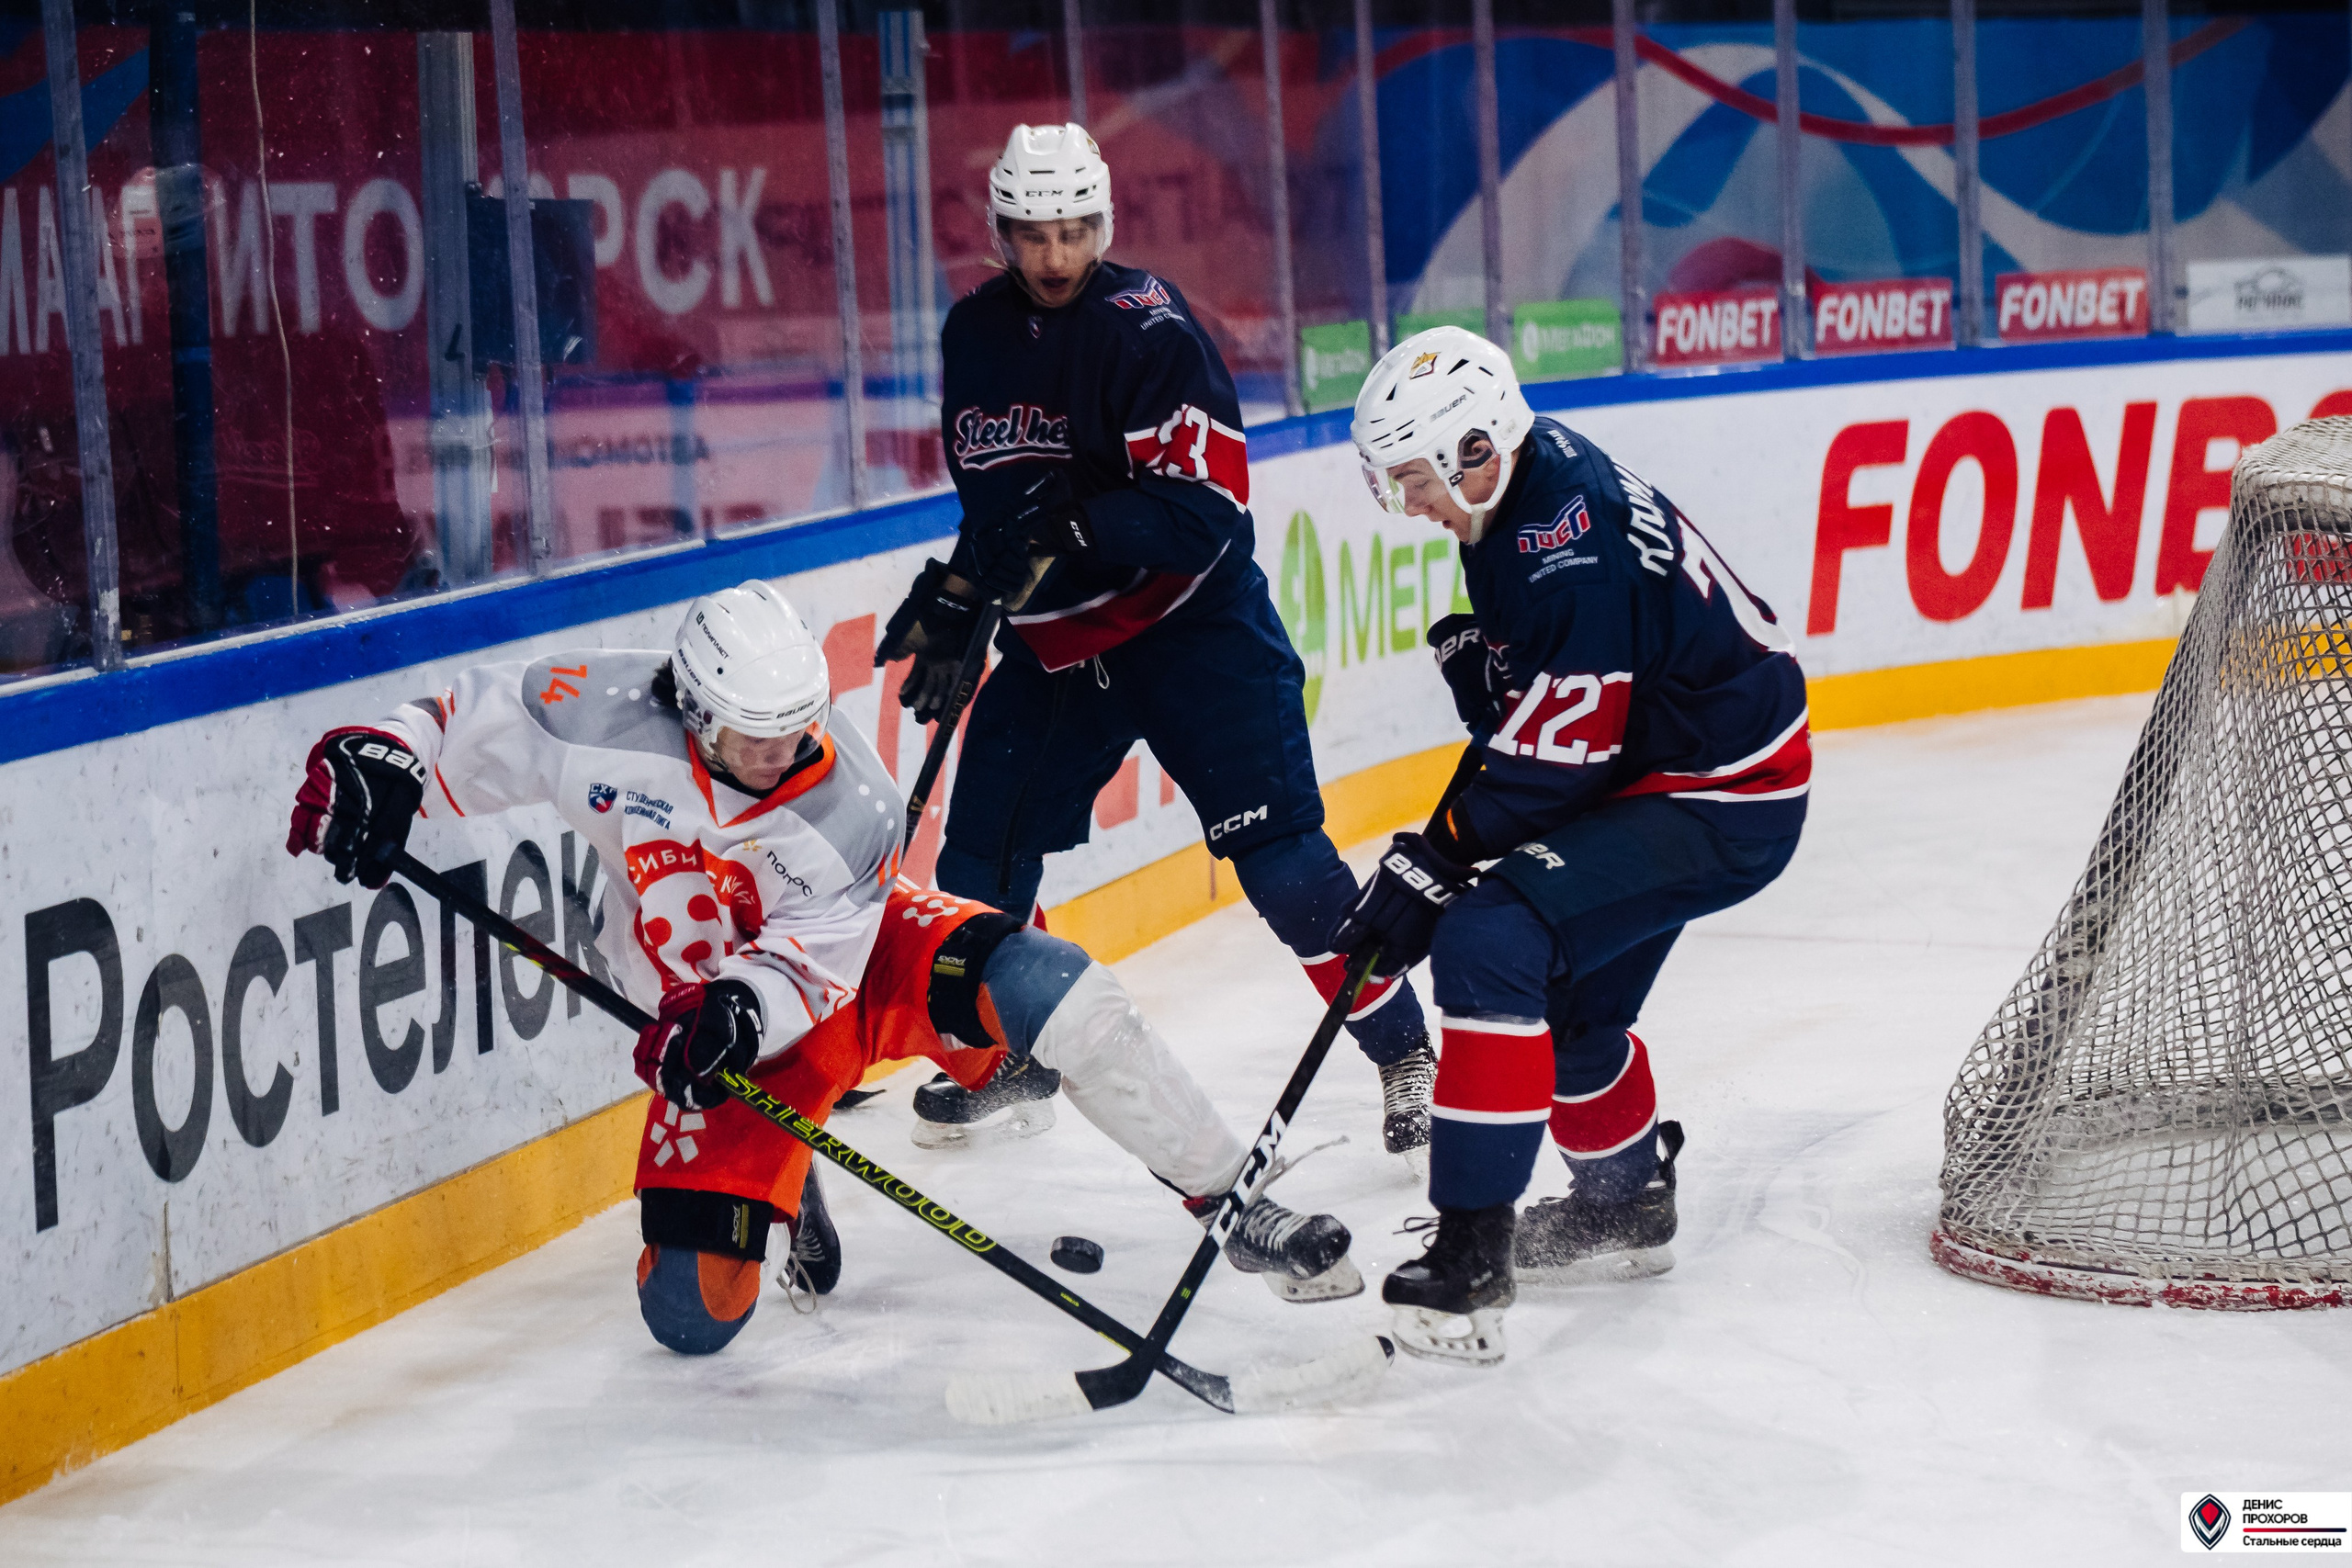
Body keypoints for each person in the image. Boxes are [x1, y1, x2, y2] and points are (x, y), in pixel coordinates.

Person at [286, 581, 1365, 1359]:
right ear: (694, 711)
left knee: (1061, 991)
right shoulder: (601, 714)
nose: (787, 752)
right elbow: (458, 719)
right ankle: (790, 1191)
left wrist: (731, 1017)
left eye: (799, 724)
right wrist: (378, 760)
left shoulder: (847, 800)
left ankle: (1236, 1202)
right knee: (689, 1322)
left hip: (847, 969)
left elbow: (815, 970)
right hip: (715, 1020)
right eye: (757, 738)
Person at [875, 122, 1435, 1164]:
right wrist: (962, 591)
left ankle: (1403, 1050)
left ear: (1106, 223)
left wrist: (1069, 526)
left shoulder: (1151, 330)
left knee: (1284, 867)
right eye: (1033, 234)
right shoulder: (975, 334)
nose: (1054, 256)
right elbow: (999, 502)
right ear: (999, 231)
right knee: (979, 851)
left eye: (1075, 230)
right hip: (1061, 649)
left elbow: (1206, 510)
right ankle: (1012, 1054)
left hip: (1192, 631)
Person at [1329, 328, 1808, 1366]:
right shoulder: (1526, 475)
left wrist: (1433, 860)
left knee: (1487, 941)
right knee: (1563, 1001)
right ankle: (1622, 1203)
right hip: (1668, 764)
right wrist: (1501, 680)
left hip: (1719, 793)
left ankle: (1469, 1255)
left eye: (1414, 478)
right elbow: (1561, 717)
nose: (1407, 501)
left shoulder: (1564, 554)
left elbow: (1559, 763)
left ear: (1473, 451)